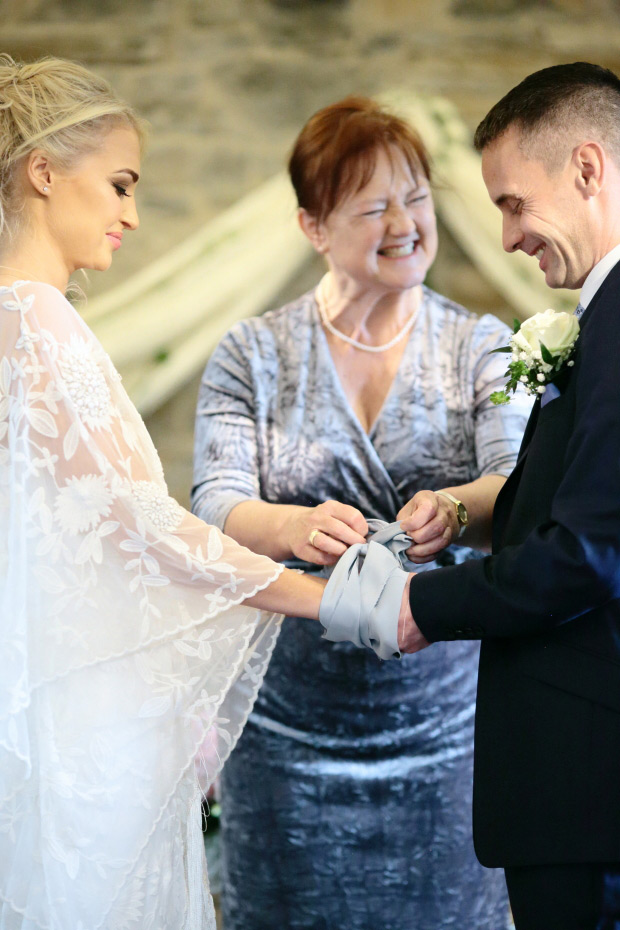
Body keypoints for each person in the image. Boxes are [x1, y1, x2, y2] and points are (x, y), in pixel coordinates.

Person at [0, 54, 326, 930]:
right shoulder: (39, 321)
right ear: (42, 173)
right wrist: (329, 601)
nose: (132, 215)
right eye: (118, 185)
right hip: (82, 714)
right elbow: (142, 526)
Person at [191, 96, 531, 930]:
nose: (405, 222)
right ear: (313, 225)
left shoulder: (480, 344)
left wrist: (454, 508)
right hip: (287, 733)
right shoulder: (252, 354)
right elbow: (217, 503)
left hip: (449, 728)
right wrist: (292, 527)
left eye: (416, 197)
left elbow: (516, 486)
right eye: (372, 205)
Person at [355, 63, 620, 930]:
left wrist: (420, 606)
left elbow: (589, 552)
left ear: (588, 169)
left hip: (591, 789)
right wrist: (471, 512)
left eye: (511, 203)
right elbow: (580, 502)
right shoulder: (602, 316)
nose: (505, 238)